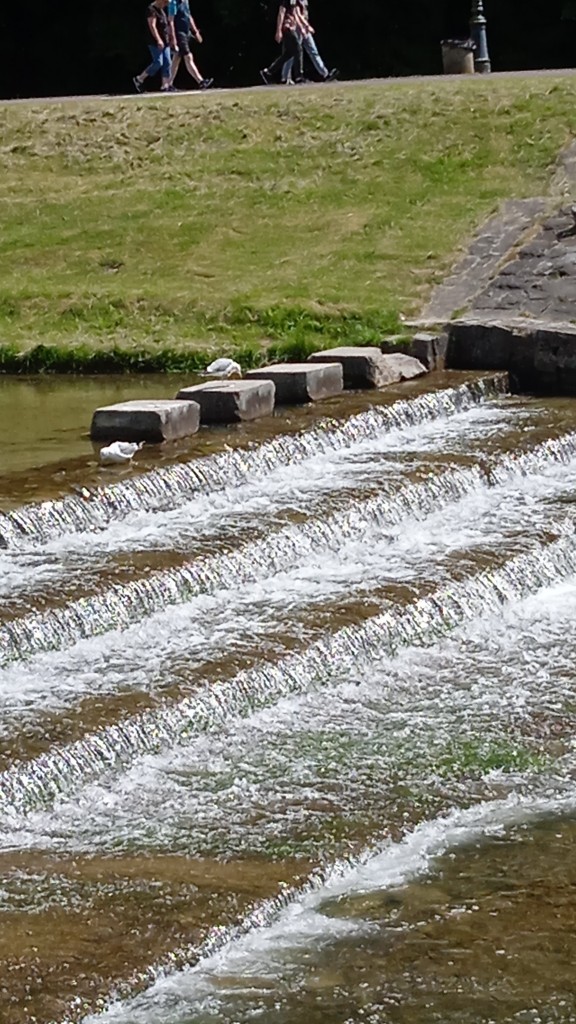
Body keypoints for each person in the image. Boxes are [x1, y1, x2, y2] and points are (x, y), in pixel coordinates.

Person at [168, 0, 213, 90]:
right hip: (179, 33)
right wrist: (173, 38)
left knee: (176, 58)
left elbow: (189, 16)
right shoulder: (173, 3)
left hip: (186, 32)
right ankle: (200, 81)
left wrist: (195, 32)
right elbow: (171, 21)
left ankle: (168, 84)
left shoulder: (185, 2)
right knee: (188, 56)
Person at [133, 0, 174, 93]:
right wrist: (158, 39)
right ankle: (140, 79)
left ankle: (165, 85)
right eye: (165, 2)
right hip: (154, 42)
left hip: (165, 41)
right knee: (158, 62)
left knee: (167, 62)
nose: (166, 5)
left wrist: (170, 38)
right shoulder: (151, 10)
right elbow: (152, 26)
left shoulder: (161, 10)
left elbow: (166, 24)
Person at [260, 1, 303, 85]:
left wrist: (301, 26)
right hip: (287, 27)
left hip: (292, 26)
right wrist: (279, 30)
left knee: (288, 54)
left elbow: (295, 13)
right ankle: (299, 76)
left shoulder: (294, 1)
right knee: (298, 49)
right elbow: (281, 12)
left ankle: (268, 72)